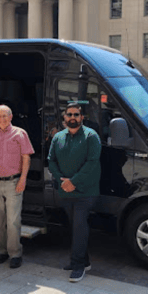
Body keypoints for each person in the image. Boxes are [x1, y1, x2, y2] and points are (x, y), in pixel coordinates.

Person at [48, 103, 102, 283]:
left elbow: (92, 163)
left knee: (79, 226)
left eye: (76, 114)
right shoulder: (58, 137)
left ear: (82, 117)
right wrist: (61, 180)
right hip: (65, 191)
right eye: (69, 114)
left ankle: (78, 266)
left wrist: (74, 181)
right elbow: (51, 160)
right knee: (75, 227)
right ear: (64, 117)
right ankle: (84, 261)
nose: (72, 117)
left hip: (86, 192)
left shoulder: (91, 136)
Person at [0, 105, 34, 269]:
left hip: (14, 182)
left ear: (11, 117)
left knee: (13, 220)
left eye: (5, 116)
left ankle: (15, 253)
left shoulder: (20, 133)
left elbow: (26, 158)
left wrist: (23, 179)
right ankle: (2, 251)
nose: (2, 119)